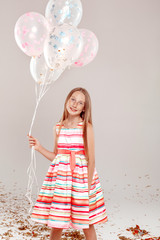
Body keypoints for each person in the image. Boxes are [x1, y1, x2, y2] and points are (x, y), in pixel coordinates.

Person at [27, 87, 108, 240]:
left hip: (81, 181)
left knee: (87, 223)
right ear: (67, 100)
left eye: (80, 102)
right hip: (62, 181)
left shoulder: (86, 127)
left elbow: (91, 160)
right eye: (73, 99)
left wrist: (88, 187)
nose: (75, 104)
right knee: (57, 222)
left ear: (84, 108)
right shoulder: (58, 127)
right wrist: (39, 147)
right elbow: (57, 157)